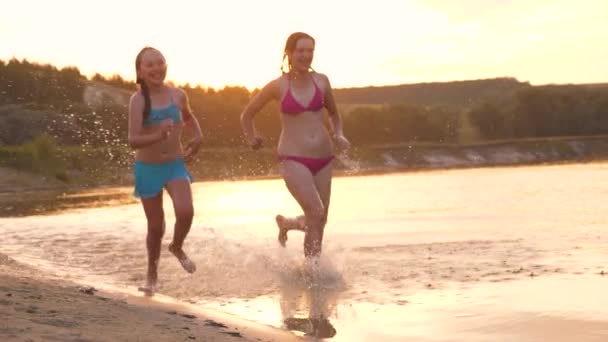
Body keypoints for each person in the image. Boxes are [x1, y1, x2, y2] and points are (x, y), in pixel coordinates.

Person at [240, 32, 350, 258]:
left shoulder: (322, 81)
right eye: (301, 50)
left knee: (320, 220)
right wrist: (252, 138)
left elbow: (335, 115)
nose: (306, 55)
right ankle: (313, 275)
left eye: (310, 51)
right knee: (316, 213)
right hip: (293, 158)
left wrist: (339, 134)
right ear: (289, 53)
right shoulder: (277, 86)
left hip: (323, 157)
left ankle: (288, 224)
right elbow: (247, 115)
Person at [127, 47, 203, 295]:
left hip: (174, 164)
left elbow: (189, 118)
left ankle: (177, 246)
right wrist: (158, 133)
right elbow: (133, 140)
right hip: (147, 168)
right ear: (140, 71)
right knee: (156, 226)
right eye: (149, 65)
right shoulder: (138, 101)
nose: (156, 68)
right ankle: (152, 275)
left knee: (186, 211)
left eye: (160, 62)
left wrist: (198, 136)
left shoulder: (178, 95)